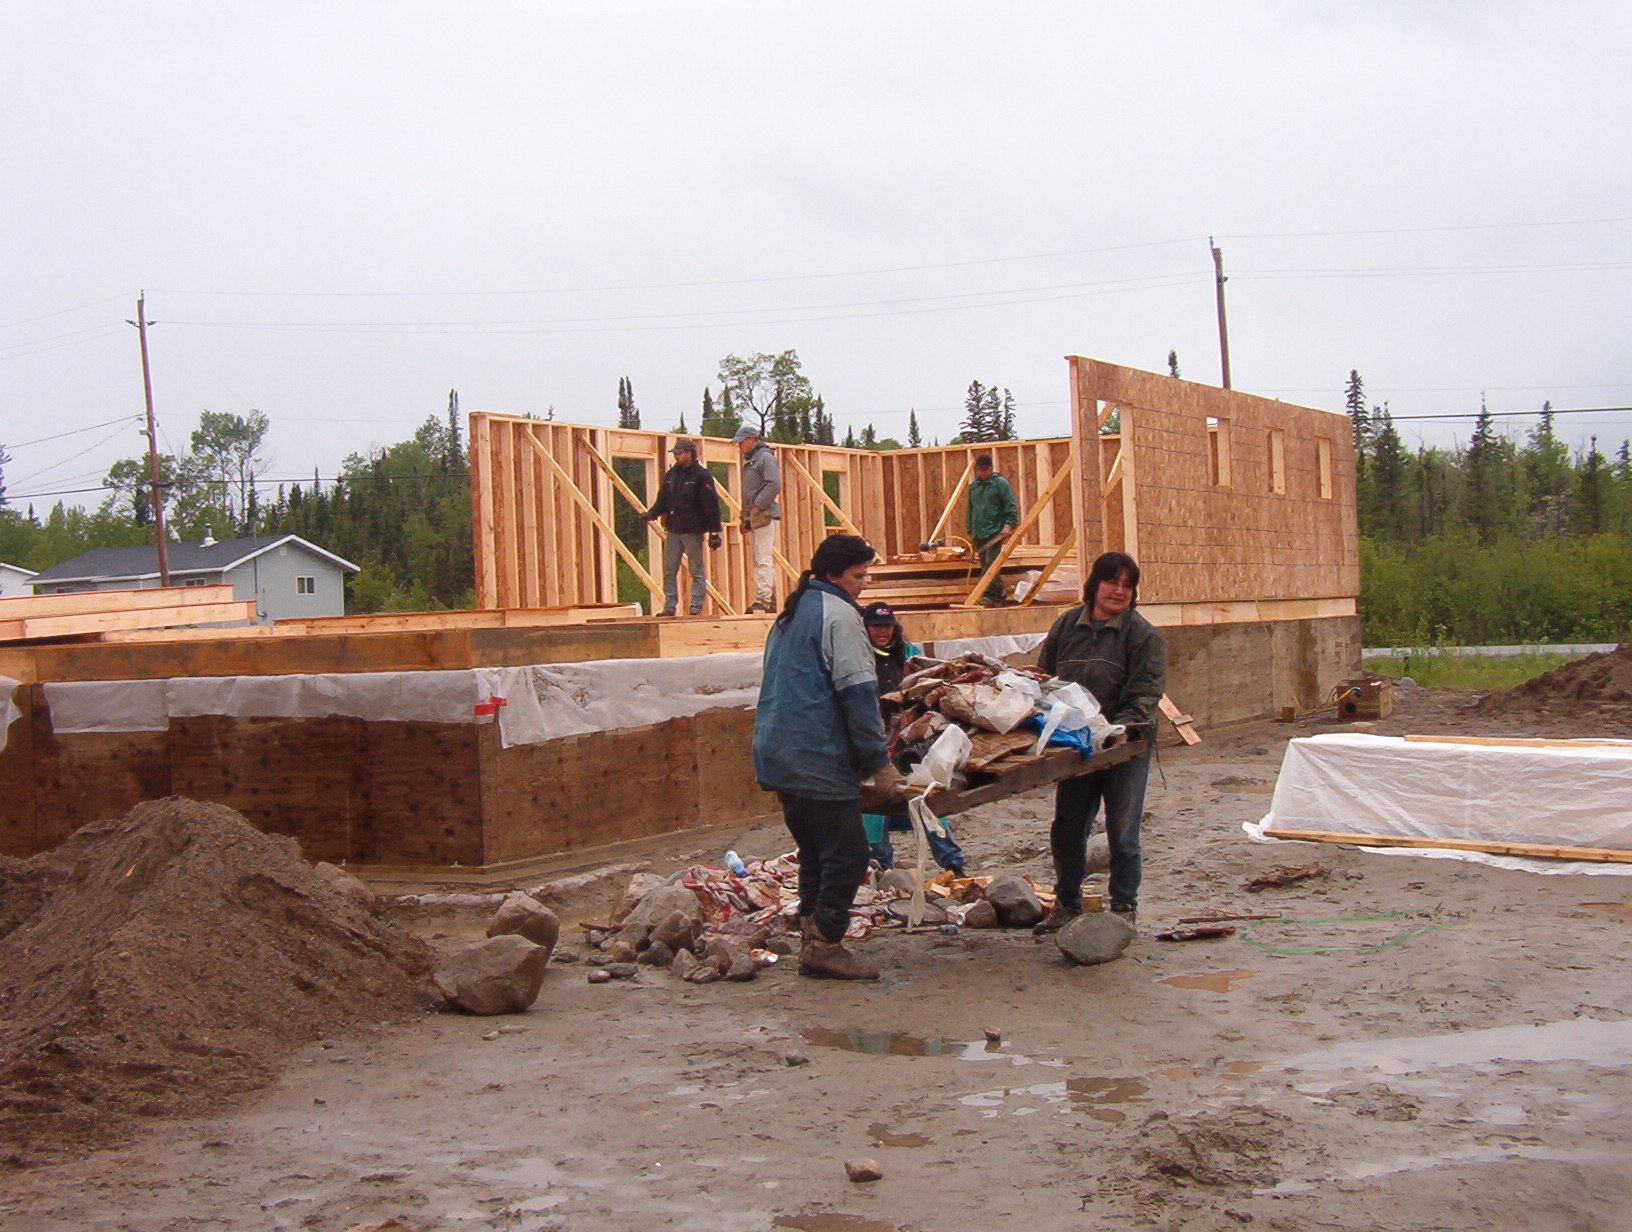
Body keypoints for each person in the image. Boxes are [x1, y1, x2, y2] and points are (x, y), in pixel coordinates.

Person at [753, 534, 900, 980]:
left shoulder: (790, 614)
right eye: (858, 575)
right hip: (815, 753)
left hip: (778, 752)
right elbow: (858, 693)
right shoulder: (839, 615)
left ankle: (811, 936)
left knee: (816, 852)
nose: (864, 583)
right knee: (850, 855)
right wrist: (879, 761)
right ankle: (826, 944)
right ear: (834, 575)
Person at [1032, 551, 1167, 932]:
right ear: (1094, 585)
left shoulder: (1143, 636)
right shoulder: (1066, 626)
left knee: (1122, 832)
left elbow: (1145, 694)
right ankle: (1067, 903)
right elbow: (1044, 680)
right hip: (1075, 748)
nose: (1119, 591)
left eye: (1128, 585)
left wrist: (1114, 733)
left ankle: (1124, 907)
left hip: (1125, 748)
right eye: (1112, 582)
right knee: (1068, 827)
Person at [858, 601, 967, 876]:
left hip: (908, 740)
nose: (882, 632)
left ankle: (953, 864)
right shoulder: (859, 658)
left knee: (927, 800)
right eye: (875, 626)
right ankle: (882, 867)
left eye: (886, 626)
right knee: (875, 807)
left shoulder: (909, 657)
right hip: (872, 740)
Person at [641, 437, 723, 617]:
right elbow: (663, 500)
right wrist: (651, 514)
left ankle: (695, 608)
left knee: (696, 570)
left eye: (678, 453)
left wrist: (714, 532)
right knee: (669, 570)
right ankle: (670, 606)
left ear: (689, 453)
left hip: (693, 530)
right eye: (675, 453)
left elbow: (711, 505)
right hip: (674, 530)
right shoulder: (672, 475)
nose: (676, 456)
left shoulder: (701, 476)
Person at [734, 424, 781, 613]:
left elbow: (774, 484)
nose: (739, 446)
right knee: (761, 557)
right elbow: (750, 492)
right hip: (757, 514)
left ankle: (763, 600)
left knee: (762, 557)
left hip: (765, 513)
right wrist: (746, 518)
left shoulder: (765, 458)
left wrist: (757, 506)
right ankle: (771, 598)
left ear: (752, 440)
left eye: (741, 442)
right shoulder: (753, 460)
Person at [965, 453, 1019, 606]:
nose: (983, 473)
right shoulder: (973, 487)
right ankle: (999, 595)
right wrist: (969, 529)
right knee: (985, 565)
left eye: (985, 470)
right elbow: (970, 509)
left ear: (991, 469)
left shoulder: (1000, 484)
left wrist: (1009, 524)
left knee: (991, 564)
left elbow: (1010, 505)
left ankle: (990, 596)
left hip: (994, 532)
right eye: (980, 470)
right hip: (979, 532)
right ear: (977, 470)